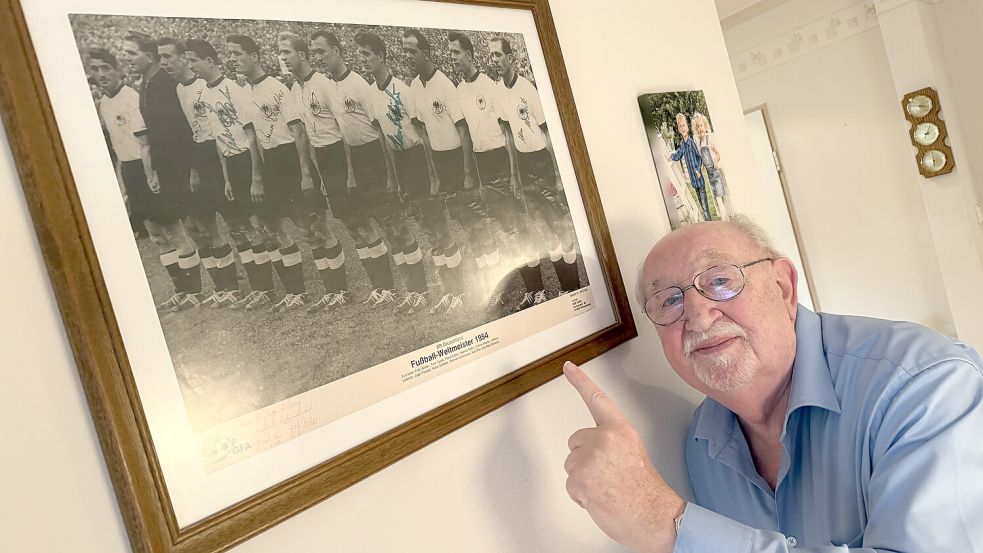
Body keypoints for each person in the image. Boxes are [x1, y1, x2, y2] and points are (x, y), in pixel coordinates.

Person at [562, 217, 983, 552]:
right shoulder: (700, 444)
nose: (698, 313)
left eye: (720, 281)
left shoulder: (923, 384)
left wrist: (665, 523)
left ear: (783, 287)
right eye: (670, 300)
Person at [353, 30, 448, 315]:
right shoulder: (369, 95)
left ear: (381, 57)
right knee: (399, 230)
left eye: (367, 54)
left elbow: (422, 133)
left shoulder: (403, 90)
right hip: (399, 165)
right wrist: (392, 176)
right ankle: (416, 291)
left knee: (435, 227)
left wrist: (433, 175)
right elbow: (383, 138)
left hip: (419, 159)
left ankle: (450, 291)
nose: (363, 59)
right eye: (360, 55)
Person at [309, 30, 403, 309]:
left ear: (337, 51)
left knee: (389, 223)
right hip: (354, 160)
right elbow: (344, 133)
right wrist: (349, 171)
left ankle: (393, 287)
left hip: (375, 156)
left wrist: (390, 174)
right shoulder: (330, 87)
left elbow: (381, 131)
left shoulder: (359, 85)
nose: (318, 57)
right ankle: (380, 287)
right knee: (358, 225)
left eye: (322, 51)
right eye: (315, 52)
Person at [227, 33, 320, 312]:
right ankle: (296, 292)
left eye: (237, 54)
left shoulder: (277, 88)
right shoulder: (244, 93)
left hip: (290, 159)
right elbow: (252, 138)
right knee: (274, 229)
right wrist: (256, 177)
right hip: (268, 165)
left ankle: (335, 289)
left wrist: (305, 173)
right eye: (230, 55)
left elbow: (299, 133)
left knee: (310, 228)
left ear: (254, 56)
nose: (233, 60)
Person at [489, 36, 583, 308]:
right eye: (492, 56)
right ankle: (546, 291)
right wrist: (514, 174)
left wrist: (556, 173)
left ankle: (571, 289)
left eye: (499, 55)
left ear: (511, 58)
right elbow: (509, 136)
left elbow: (548, 132)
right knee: (543, 227)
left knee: (559, 226)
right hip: (524, 163)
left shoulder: (527, 89)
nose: (495, 60)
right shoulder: (499, 93)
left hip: (543, 161)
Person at [403, 28, 492, 314]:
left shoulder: (445, 85)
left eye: (412, 51)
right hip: (437, 163)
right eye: (404, 50)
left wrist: (467, 172)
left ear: (426, 53)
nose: (407, 56)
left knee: (472, 225)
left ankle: (488, 286)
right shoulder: (414, 85)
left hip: (458, 160)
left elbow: (463, 130)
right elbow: (423, 132)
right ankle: (453, 292)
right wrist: (432, 173)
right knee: (437, 229)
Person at [184, 38, 276, 310]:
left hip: (248, 161)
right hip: (230, 165)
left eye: (194, 61)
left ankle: (267, 289)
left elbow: (250, 133)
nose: (192, 66)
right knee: (240, 230)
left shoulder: (233, 89)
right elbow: (218, 142)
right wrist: (225, 178)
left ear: (210, 61)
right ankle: (259, 288)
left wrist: (256, 176)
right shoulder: (206, 94)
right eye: (188, 61)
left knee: (259, 226)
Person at [117, 32, 203, 311]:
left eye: (131, 53)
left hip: (176, 167)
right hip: (160, 167)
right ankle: (185, 290)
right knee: (167, 230)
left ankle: (194, 291)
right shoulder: (146, 84)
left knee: (182, 228)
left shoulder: (165, 84)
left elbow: (181, 130)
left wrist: (189, 169)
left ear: (149, 55)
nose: (126, 58)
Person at [159, 37, 245, 307]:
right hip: (198, 157)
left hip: (216, 154)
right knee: (202, 225)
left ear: (186, 58)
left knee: (232, 221)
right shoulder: (179, 90)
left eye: (170, 57)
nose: (165, 63)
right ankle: (222, 286)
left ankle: (233, 285)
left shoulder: (203, 86)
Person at [278, 32, 359, 313]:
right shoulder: (293, 90)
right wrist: (306, 172)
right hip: (315, 160)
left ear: (302, 55)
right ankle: (333, 291)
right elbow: (300, 135)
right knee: (315, 226)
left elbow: (344, 129)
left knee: (352, 221)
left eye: (287, 52)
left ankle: (346, 290)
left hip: (337, 154)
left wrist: (349, 171)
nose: (283, 58)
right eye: (281, 53)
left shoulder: (324, 84)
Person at [447, 30, 522, 312]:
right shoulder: (459, 90)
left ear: (469, 54)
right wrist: (468, 171)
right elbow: (465, 133)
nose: (453, 58)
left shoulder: (490, 87)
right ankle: (497, 287)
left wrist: (514, 172)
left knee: (510, 224)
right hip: (480, 162)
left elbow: (508, 131)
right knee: (483, 226)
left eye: (456, 52)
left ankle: (521, 285)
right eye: (450, 52)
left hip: (500, 160)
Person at [665, 113, 711, 222]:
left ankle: (709, 223)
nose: (682, 128)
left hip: (699, 178)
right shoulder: (682, 144)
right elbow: (678, 154)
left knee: (705, 206)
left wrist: (699, 169)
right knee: (700, 203)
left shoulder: (692, 142)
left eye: (684, 125)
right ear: (678, 129)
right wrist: (671, 157)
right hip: (693, 181)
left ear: (687, 127)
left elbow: (700, 157)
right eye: (680, 126)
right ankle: (706, 222)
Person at [691, 112, 728, 221]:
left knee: (719, 196)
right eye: (697, 127)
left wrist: (715, 162)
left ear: (705, 126)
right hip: (709, 174)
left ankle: (724, 218)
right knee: (716, 196)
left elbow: (718, 154)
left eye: (701, 126)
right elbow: (702, 159)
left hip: (715, 172)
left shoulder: (709, 139)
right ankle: (725, 217)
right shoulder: (699, 143)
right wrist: (700, 170)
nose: (699, 129)